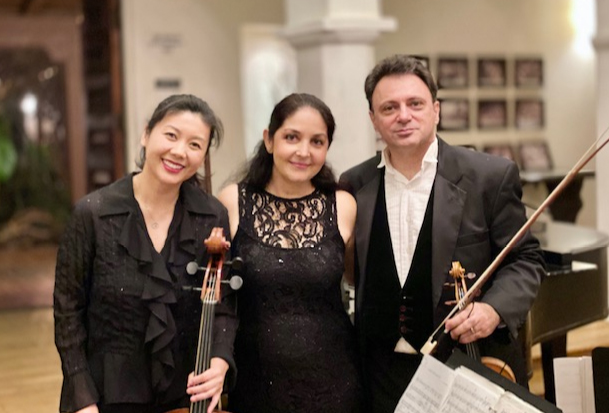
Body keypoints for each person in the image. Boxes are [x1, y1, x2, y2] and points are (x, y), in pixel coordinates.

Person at [339, 55, 546, 412]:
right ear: (373, 119)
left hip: (467, 367)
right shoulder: (354, 183)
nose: (403, 115)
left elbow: (526, 260)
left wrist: (493, 310)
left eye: (415, 104)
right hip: (382, 373)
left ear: (436, 109)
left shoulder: (488, 176)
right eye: (389, 107)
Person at [53, 94, 237, 413]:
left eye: (195, 145)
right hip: (108, 394)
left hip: (184, 392)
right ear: (145, 134)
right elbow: (68, 312)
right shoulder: (93, 214)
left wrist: (220, 361)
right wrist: (82, 397)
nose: (179, 151)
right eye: (171, 135)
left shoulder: (212, 217)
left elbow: (223, 305)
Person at [218, 93, 362, 412]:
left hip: (336, 380)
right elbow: (220, 297)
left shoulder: (344, 206)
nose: (303, 151)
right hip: (256, 381)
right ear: (269, 140)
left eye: (317, 141)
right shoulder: (232, 201)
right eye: (291, 137)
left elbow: (354, 280)